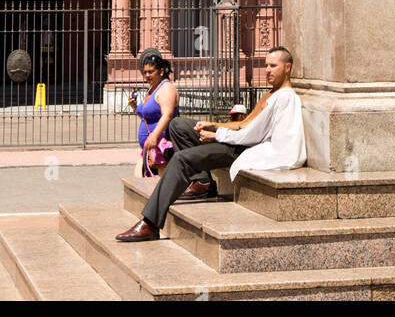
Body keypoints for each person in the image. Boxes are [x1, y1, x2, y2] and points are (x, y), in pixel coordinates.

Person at [116, 47, 306, 241]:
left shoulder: (285, 97)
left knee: (182, 159)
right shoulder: (270, 95)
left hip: (242, 149)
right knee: (178, 125)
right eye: (266, 65)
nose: (267, 70)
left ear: (288, 67)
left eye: (273, 66)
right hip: (236, 139)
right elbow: (243, 124)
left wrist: (217, 135)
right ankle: (203, 182)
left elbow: (253, 135)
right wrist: (213, 125)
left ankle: (151, 223)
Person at [128, 50, 179, 175]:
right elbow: (148, 117)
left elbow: (167, 115)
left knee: (155, 185)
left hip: (161, 149)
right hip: (149, 149)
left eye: (151, 72)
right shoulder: (152, 89)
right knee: (140, 183)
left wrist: (154, 136)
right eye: (145, 72)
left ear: (161, 71)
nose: (147, 75)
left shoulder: (166, 88)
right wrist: (135, 108)